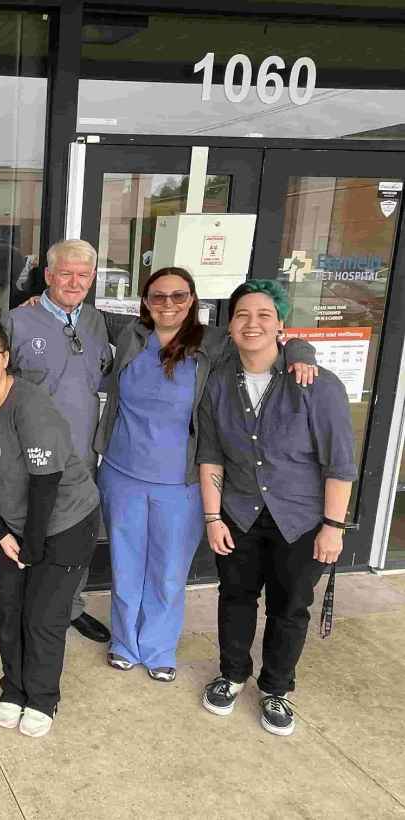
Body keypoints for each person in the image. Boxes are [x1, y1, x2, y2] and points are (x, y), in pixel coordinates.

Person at [93, 268, 317, 681]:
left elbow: (265, 342)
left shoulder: (213, 343)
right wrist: (38, 300)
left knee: (168, 569)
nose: (168, 304)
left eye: (179, 296)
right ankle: (124, 642)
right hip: (122, 473)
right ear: (144, 302)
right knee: (125, 565)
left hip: (182, 481)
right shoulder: (131, 334)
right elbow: (81, 312)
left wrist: (301, 350)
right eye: (158, 297)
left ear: (193, 300)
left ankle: (158, 648)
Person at [197, 280, 355, 737]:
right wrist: (212, 517)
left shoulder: (317, 385)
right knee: (236, 597)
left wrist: (333, 526)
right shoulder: (219, 385)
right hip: (239, 513)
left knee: (290, 606)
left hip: (301, 520)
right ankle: (231, 675)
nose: (252, 323)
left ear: (280, 324)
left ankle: (276, 688)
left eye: (264, 315)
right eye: (243, 315)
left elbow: (339, 462)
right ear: (230, 326)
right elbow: (210, 454)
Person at [0, 304, 100, 737]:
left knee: (42, 616)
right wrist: (0, 533)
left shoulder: (29, 403)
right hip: (12, 526)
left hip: (62, 522)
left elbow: (46, 480)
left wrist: (32, 547)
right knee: (9, 610)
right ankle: (13, 688)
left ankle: (42, 697)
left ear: (4, 358)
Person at [2, 239, 121, 645]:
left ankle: (71, 608)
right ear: (48, 276)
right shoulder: (17, 321)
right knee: (31, 532)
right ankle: (26, 610)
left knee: (76, 536)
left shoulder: (96, 321)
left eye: (83, 275)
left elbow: (167, 330)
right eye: (65, 273)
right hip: (31, 457)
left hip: (82, 456)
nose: (74, 281)